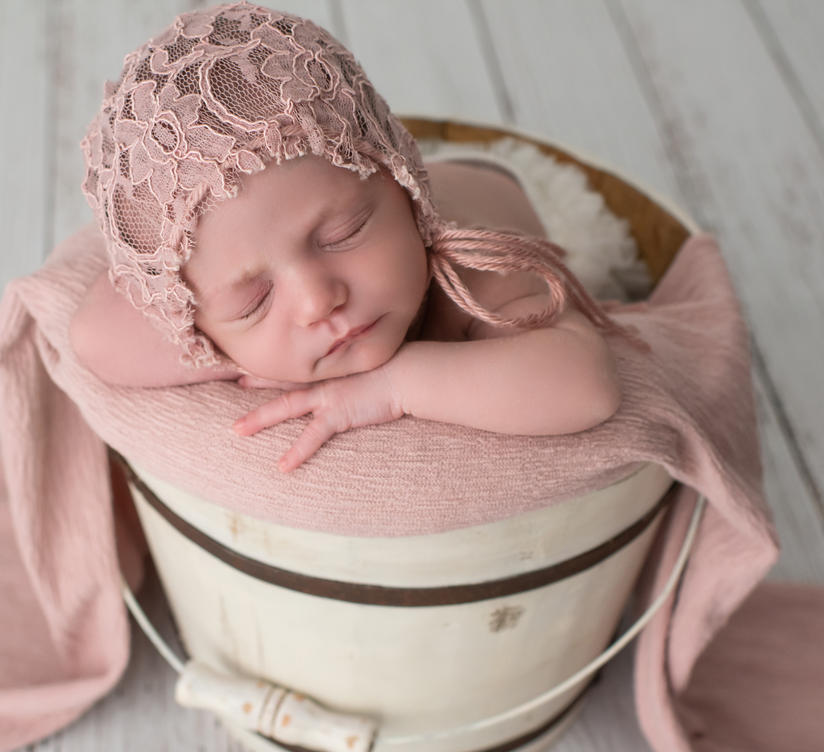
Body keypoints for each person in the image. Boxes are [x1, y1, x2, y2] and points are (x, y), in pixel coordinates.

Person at [71, 2, 631, 472]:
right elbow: (91, 335)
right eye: (253, 301)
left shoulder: (471, 273)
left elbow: (585, 384)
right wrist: (234, 355)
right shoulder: (202, 313)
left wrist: (397, 385)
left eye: (345, 233)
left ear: (404, 190)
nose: (318, 301)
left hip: (502, 185)